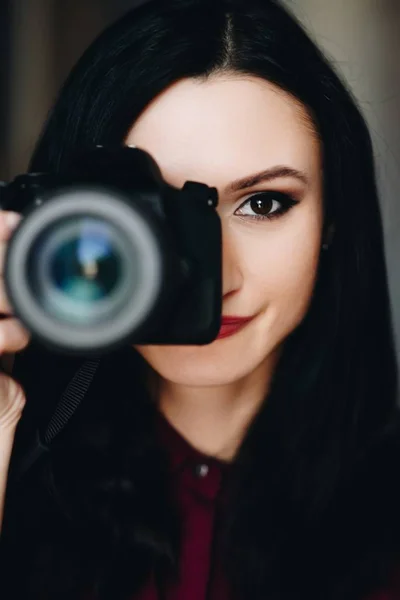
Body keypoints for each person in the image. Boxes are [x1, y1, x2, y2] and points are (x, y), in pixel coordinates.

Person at [0, 0, 399, 598]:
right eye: (155, 216)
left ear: (332, 222)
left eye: (263, 203)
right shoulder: (21, 472)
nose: (214, 277)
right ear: (59, 223)